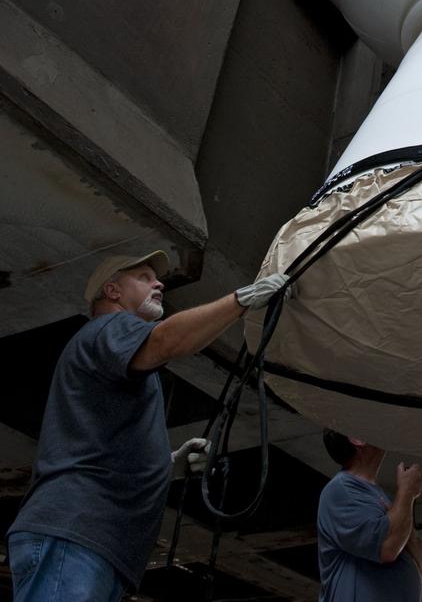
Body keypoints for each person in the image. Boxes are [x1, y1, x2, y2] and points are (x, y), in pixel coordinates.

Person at [6, 250, 290, 602]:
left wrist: (169, 464)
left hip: (87, 540)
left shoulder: (111, 352)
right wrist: (240, 301)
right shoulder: (111, 327)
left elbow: (100, 444)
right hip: (77, 535)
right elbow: (165, 340)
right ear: (112, 292)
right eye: (142, 277)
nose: (158, 283)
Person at [317, 429, 422, 601]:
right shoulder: (340, 490)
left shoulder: (387, 500)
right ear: (357, 439)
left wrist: (401, 519)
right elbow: (388, 548)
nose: (379, 427)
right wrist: (407, 493)